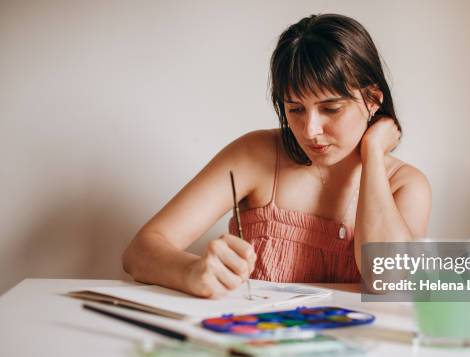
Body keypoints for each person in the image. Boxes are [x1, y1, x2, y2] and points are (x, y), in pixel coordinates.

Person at [122, 13, 431, 298]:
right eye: (295, 109)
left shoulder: (405, 184)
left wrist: (373, 152)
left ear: (372, 99)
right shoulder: (254, 155)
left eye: (330, 109)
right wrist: (191, 270)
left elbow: (390, 282)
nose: (310, 130)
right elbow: (140, 251)